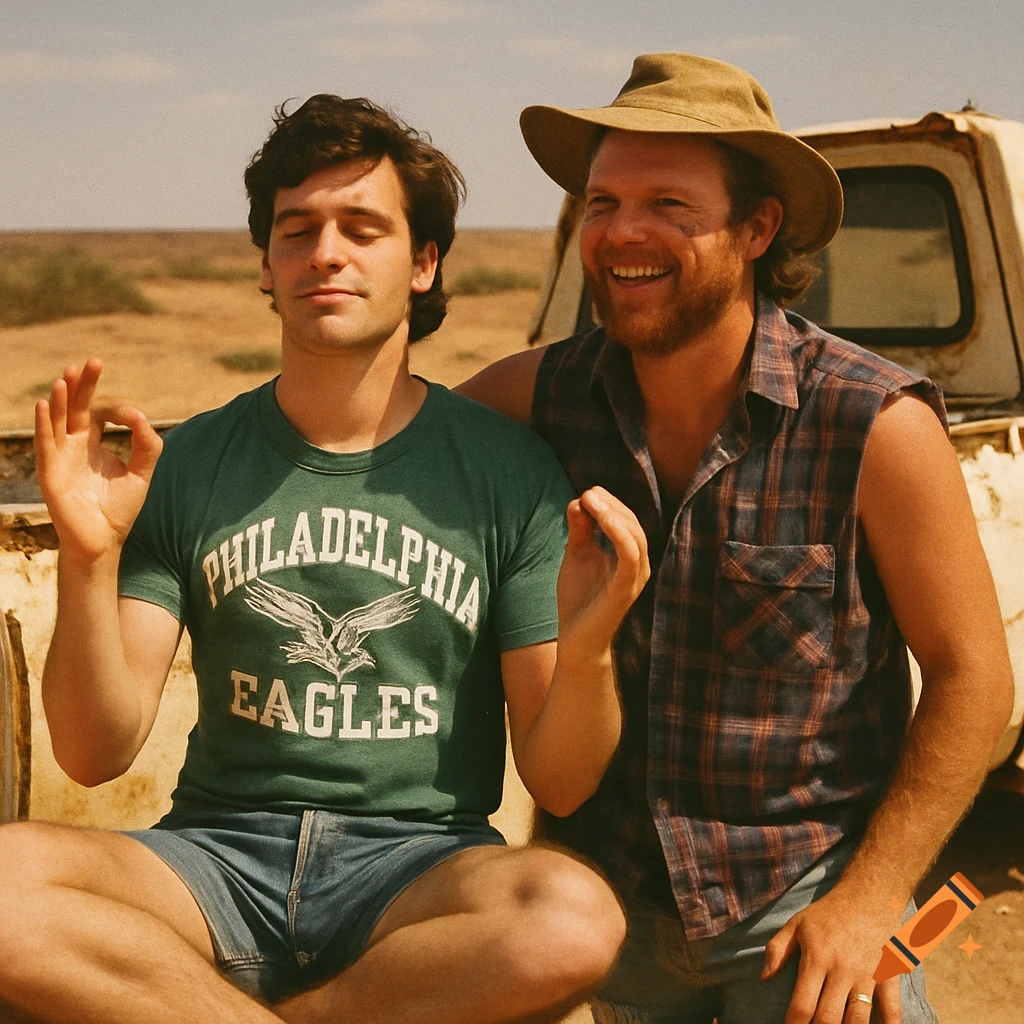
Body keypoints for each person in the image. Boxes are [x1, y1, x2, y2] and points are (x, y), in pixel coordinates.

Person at [0, 94, 651, 1024]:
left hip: (418, 871)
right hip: (211, 862)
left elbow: (559, 780)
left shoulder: (508, 471)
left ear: (423, 262)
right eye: (295, 230)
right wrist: (88, 556)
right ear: (267, 263)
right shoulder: (191, 462)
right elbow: (96, 752)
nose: (326, 253)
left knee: (571, 918)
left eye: (363, 227)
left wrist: (588, 648)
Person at [459, 53, 1015, 1024]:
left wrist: (870, 899)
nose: (623, 230)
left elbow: (974, 678)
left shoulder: (872, 424)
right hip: (613, 909)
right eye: (602, 202)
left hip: (799, 913)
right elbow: (359, 454)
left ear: (758, 228)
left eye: (671, 203)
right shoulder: (529, 400)